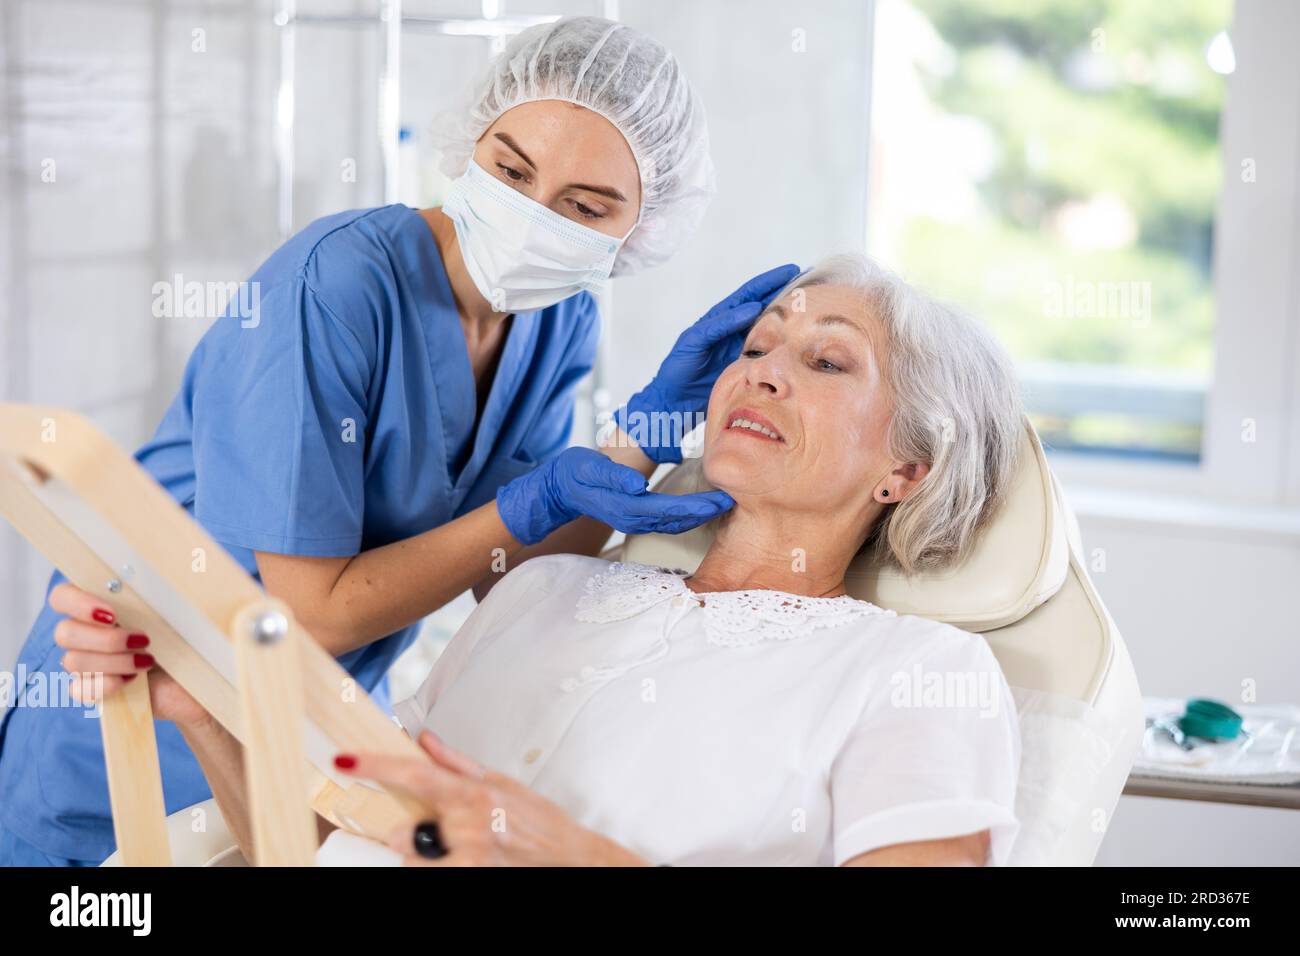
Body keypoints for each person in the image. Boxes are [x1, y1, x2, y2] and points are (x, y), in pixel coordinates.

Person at [0, 15, 796, 866]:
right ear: (472, 142)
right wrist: (537, 497)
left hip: (307, 736)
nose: (533, 216)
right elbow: (308, 614)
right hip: (137, 707)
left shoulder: (560, 317)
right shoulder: (335, 285)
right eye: (511, 169)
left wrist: (637, 439)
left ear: (642, 228)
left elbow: (515, 579)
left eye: (585, 206)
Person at [63, 253, 1027, 867]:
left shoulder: (918, 674)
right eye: (759, 344)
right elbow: (321, 840)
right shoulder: (547, 588)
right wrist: (202, 707)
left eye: (827, 361)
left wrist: (564, 854)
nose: (761, 368)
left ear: (908, 467)